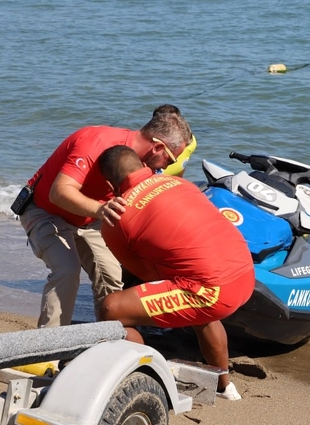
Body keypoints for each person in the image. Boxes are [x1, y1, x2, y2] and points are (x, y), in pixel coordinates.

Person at [96, 145, 255, 400]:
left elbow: (142, 273)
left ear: (108, 182)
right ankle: (224, 386)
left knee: (111, 308)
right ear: (144, 165)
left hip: (214, 291)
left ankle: (148, 378)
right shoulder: (178, 183)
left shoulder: (116, 217)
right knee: (196, 302)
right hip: (246, 274)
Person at [17, 109, 192, 328]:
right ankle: (46, 349)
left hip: (90, 217)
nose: (168, 166)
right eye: (171, 158)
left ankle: (107, 341)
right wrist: (101, 210)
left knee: (111, 278)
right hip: (45, 210)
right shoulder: (95, 142)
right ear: (157, 146)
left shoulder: (145, 163)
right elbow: (59, 192)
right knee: (67, 271)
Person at [151, 104, 197, 177]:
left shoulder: (190, 141)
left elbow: (183, 162)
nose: (171, 126)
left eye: (175, 121)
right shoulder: (151, 147)